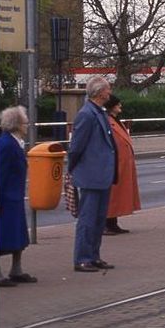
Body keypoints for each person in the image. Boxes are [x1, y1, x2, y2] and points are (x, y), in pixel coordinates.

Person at [68, 76, 118, 271]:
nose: (109, 92)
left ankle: (93, 255)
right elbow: (76, 146)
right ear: (99, 92)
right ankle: (82, 258)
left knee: (98, 220)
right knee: (88, 219)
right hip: (90, 176)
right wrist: (73, 168)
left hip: (101, 175)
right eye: (107, 89)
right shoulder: (87, 115)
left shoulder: (99, 112)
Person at [0, 106, 36, 286]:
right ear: (17, 124)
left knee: (17, 234)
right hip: (6, 198)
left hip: (14, 197)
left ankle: (16, 269)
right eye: (24, 122)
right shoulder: (6, 145)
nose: (27, 125)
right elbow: (0, 174)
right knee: (3, 235)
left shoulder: (14, 142)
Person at [103, 94, 141, 235]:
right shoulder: (107, 121)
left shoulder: (116, 121)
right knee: (112, 196)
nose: (121, 106)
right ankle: (107, 223)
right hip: (115, 164)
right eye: (118, 104)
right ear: (112, 106)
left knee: (117, 196)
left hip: (121, 163)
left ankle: (113, 223)